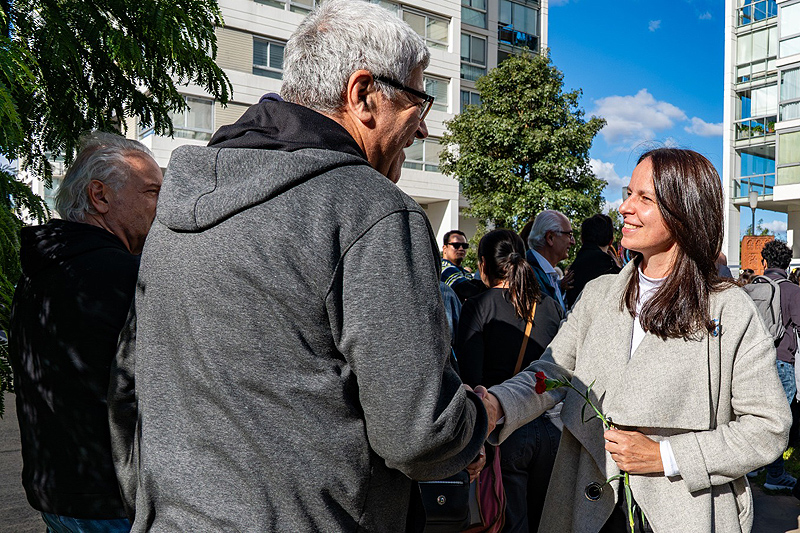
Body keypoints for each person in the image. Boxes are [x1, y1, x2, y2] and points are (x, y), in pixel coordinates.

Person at [107, 2, 490, 531]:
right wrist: (482, 416)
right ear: (362, 96)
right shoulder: (371, 208)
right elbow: (418, 434)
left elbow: (127, 389)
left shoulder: (175, 205)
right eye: (419, 102)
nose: (421, 130)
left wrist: (152, 505)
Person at [482, 148, 791, 533]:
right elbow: (550, 372)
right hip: (586, 503)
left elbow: (768, 425)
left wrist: (667, 456)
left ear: (686, 211)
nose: (624, 207)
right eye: (628, 193)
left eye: (644, 198)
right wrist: (495, 406)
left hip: (683, 512)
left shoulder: (729, 309)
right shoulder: (600, 294)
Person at [8, 132, 162, 533]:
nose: (162, 205)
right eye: (151, 192)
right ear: (100, 196)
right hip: (110, 502)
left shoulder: (39, 272)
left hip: (56, 494)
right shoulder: (123, 276)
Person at [456, 229, 562, 533]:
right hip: (551, 427)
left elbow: (471, 379)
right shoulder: (550, 306)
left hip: (502, 431)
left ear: (485, 264)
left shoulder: (478, 306)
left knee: (506, 522)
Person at [757, 240, 800, 490]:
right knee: (779, 421)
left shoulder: (751, 287)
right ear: (787, 264)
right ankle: (775, 475)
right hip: (782, 360)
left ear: (765, 262)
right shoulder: (793, 291)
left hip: (754, 361)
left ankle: (752, 467)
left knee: (755, 416)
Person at [565, 214, 621, 308]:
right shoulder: (608, 265)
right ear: (611, 241)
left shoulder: (576, 265)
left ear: (582, 239)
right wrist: (618, 267)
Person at [525, 210, 573, 315]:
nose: (573, 242)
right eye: (569, 235)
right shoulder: (527, 273)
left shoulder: (546, 274)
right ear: (550, 237)